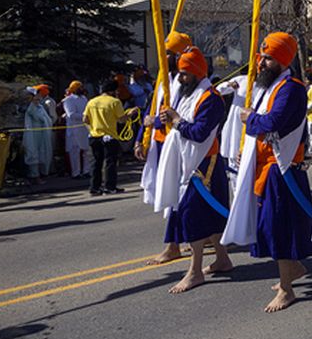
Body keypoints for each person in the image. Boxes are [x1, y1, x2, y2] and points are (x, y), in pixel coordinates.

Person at [224, 31, 312, 312]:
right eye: (261, 57)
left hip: (282, 168)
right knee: (270, 226)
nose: (261, 63)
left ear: (282, 60)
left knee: (278, 228)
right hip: (266, 167)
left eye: (267, 58)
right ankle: (293, 269)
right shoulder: (269, 87)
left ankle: (287, 289)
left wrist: (250, 118)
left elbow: (272, 123)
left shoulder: (291, 88)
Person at [154, 46, 234, 293]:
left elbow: (198, 133)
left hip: (204, 165)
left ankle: (195, 271)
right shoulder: (186, 94)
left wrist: (176, 120)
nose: (181, 78)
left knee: (192, 214)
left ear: (198, 73)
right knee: (209, 215)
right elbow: (174, 120)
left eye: (185, 73)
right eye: (180, 72)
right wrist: (163, 119)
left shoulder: (211, 98)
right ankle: (222, 259)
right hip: (188, 161)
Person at [140, 30, 193, 265]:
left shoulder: (186, 80)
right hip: (161, 143)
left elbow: (180, 114)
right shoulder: (164, 78)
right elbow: (153, 107)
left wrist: (157, 122)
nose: (164, 57)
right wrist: (142, 138)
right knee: (171, 194)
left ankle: (174, 245)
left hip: (180, 145)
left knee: (177, 195)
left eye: (169, 53)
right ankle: (196, 238)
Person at [84, 80, 140, 195]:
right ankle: (110, 187)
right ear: (112, 91)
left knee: (96, 163)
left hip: (94, 136)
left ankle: (94, 187)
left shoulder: (92, 101)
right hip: (110, 136)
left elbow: (85, 119)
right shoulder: (115, 102)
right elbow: (121, 120)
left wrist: (92, 129)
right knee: (110, 162)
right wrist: (130, 114)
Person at [23, 85, 53, 182]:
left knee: (43, 153)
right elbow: (38, 117)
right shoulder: (30, 108)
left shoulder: (40, 106)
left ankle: (42, 174)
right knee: (32, 153)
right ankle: (34, 176)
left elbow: (46, 119)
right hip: (33, 134)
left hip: (42, 134)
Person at [61, 81, 90, 179]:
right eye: (79, 87)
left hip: (84, 128)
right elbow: (71, 115)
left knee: (86, 149)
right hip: (74, 129)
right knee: (74, 151)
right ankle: (76, 173)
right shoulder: (68, 100)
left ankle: (86, 171)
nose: (82, 89)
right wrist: (85, 117)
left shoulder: (84, 98)